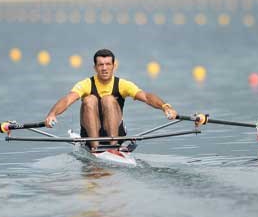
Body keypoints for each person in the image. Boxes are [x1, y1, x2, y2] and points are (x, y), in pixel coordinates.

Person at [44, 49, 178, 151]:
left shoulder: (122, 84)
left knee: (108, 99)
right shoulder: (86, 84)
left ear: (114, 66)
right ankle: (95, 147)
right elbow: (68, 99)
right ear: (95, 67)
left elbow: (147, 97)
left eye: (108, 64)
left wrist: (165, 106)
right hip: (91, 133)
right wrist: (52, 114)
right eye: (100, 64)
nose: (104, 68)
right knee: (89, 100)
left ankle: (113, 147)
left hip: (116, 133)